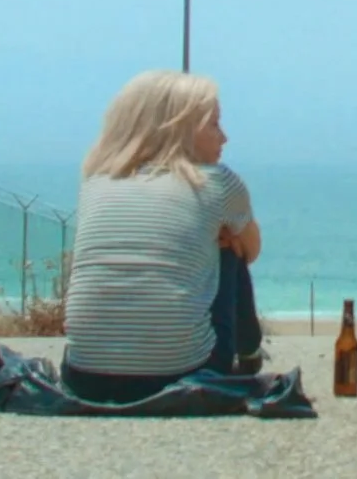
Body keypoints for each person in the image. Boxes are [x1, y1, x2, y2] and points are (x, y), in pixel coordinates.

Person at [60, 70, 266, 404]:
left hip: (85, 377)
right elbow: (251, 250)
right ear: (179, 128)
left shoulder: (96, 182)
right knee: (230, 249)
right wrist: (222, 237)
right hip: (185, 372)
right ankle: (250, 355)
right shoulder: (217, 181)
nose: (224, 137)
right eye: (214, 124)